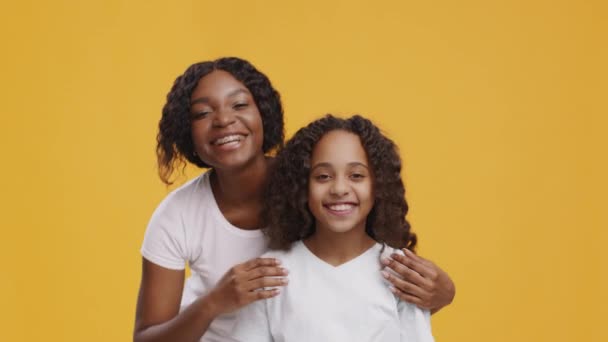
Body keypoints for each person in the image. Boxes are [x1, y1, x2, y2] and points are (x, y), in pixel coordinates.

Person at [133, 57, 455, 342]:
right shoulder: (177, 216)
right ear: (186, 132)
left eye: (240, 105)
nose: (222, 120)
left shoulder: (309, 178)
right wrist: (214, 301)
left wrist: (442, 293)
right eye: (202, 112)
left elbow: (365, 291)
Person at [231, 114, 434, 341]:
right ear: (301, 186)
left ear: (378, 185)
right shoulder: (271, 273)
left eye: (356, 175)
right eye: (323, 176)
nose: (339, 188)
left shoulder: (401, 274)